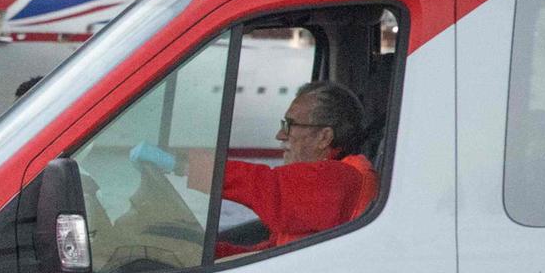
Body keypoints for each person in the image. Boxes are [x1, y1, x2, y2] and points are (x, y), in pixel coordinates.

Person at [133, 81, 377, 253]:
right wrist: (202, 252)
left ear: (324, 137)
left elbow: (263, 184)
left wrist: (180, 164)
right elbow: (267, 253)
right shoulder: (329, 184)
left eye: (290, 125)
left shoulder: (340, 179)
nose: (280, 135)